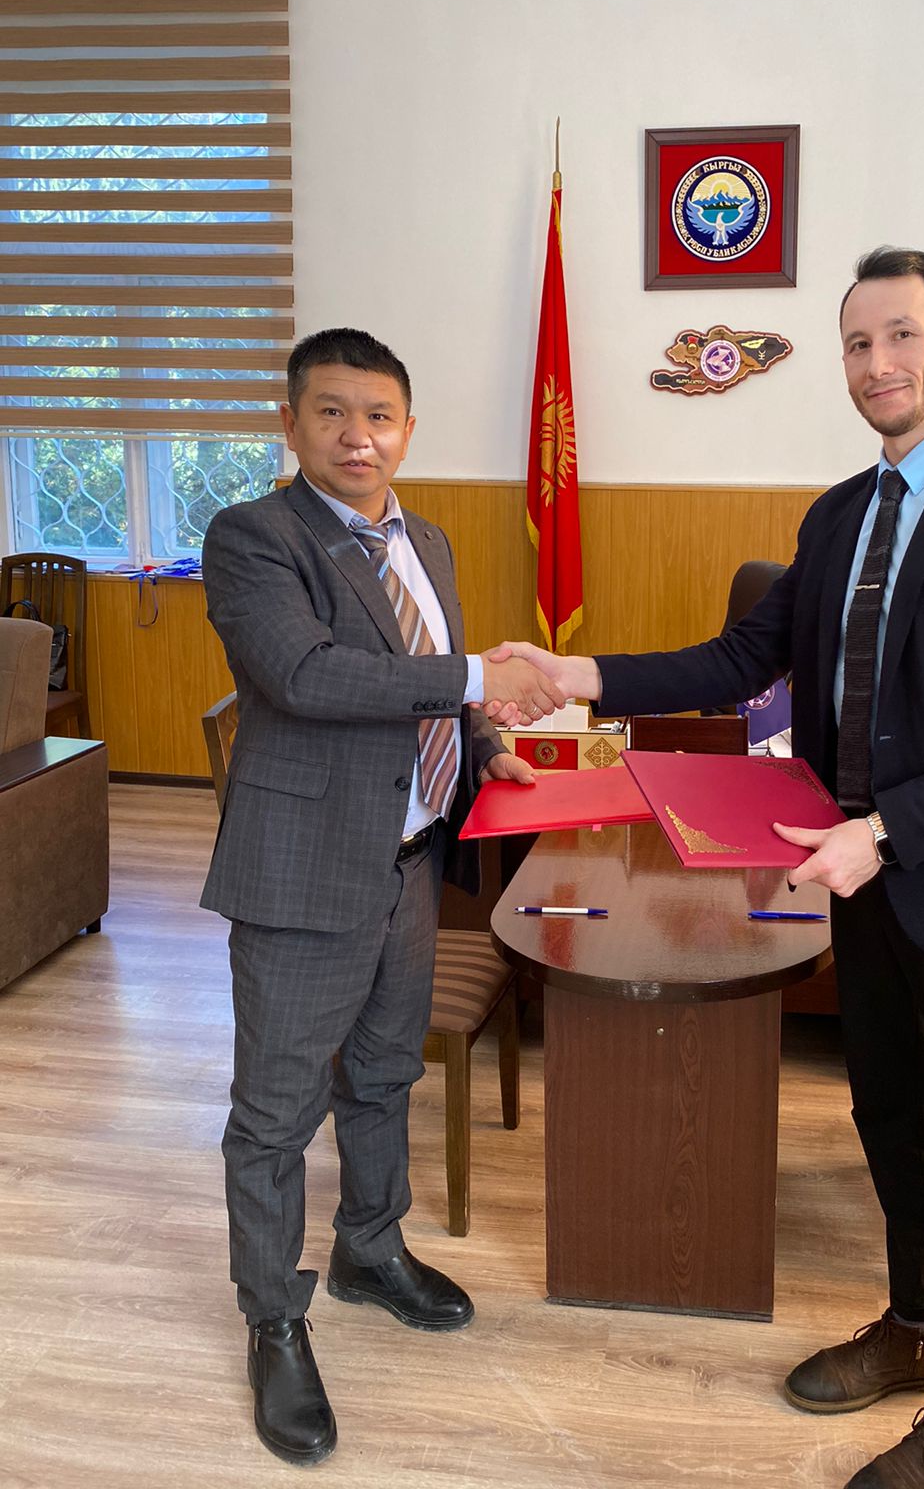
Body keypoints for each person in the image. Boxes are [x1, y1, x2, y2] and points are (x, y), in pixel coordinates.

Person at [496, 249, 924, 1489]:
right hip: (857, 882)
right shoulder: (837, 516)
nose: (878, 364)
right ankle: (920, 1326)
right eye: (857, 344)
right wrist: (582, 675)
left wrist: (885, 832)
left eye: (903, 336)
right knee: (889, 1119)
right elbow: (741, 660)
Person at [201, 327, 562, 1467]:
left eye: (380, 416)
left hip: (408, 866)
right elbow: (309, 676)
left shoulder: (428, 540)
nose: (358, 437)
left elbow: (428, 683)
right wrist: (480, 674)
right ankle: (274, 1318)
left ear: (408, 429)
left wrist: (487, 738)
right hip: (303, 872)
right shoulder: (255, 537)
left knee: (384, 1074)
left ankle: (370, 1246)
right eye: (332, 413)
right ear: (291, 422)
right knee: (274, 1116)